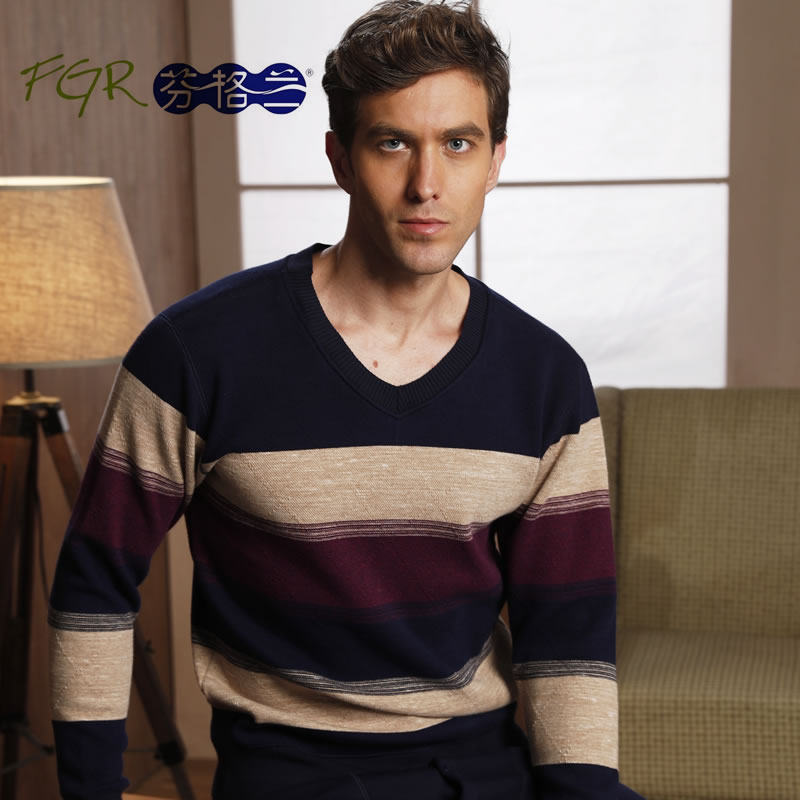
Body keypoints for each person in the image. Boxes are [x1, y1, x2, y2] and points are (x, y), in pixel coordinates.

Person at [48, 1, 644, 798]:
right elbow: (95, 580)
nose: (426, 185)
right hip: (288, 774)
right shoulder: (196, 352)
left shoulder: (544, 376)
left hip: (479, 769)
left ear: (495, 160)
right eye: (392, 142)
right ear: (340, 157)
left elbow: (568, 631)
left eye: (458, 144)